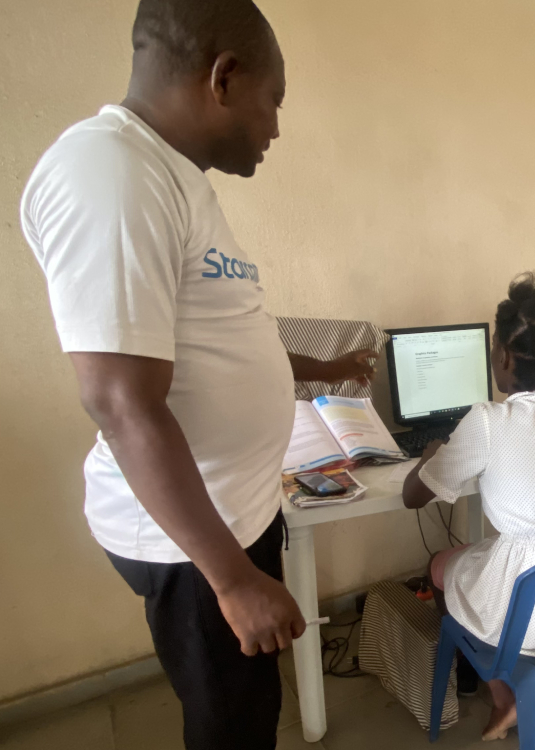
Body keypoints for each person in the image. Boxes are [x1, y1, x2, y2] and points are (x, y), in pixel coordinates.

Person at [20, 2, 374, 748]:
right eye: (273, 100)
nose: (276, 126)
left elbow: (230, 337)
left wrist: (328, 368)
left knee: (248, 705)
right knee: (232, 724)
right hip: (192, 543)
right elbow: (118, 403)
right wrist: (234, 581)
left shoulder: (170, 178)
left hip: (237, 514)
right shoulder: (109, 171)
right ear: (223, 77)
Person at [401, 273, 535, 741]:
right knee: (490, 548)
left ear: (501, 355)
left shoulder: (487, 422)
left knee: (438, 565)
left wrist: (429, 456)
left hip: (531, 609)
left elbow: (412, 497)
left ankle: (502, 692)